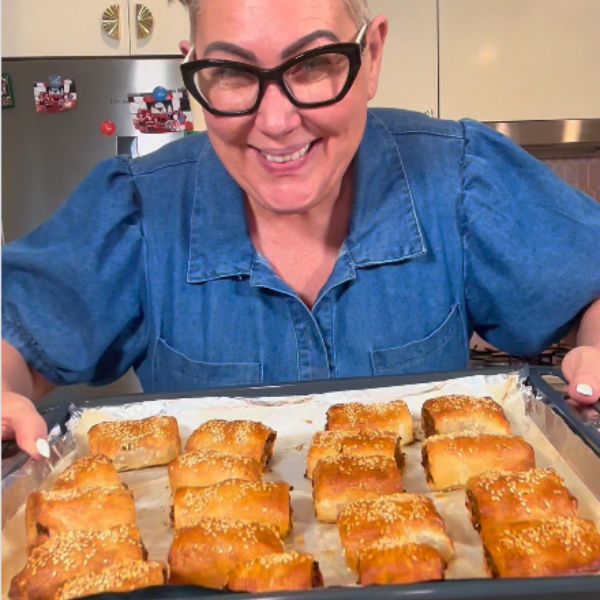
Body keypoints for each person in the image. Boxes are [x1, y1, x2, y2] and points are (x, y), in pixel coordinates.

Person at [3, 0, 600, 459]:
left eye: (314, 65)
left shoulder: (461, 177)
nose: (278, 121)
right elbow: (15, 335)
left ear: (372, 58)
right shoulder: (135, 209)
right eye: (233, 73)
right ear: (195, 72)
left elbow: (588, 288)